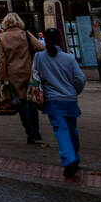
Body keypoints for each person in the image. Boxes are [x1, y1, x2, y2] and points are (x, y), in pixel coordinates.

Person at [32, 27, 87, 177]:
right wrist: (74, 91)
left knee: (61, 131)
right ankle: (74, 156)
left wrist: (38, 94)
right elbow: (80, 79)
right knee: (72, 130)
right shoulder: (69, 58)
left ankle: (69, 160)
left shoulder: (39, 57)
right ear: (60, 41)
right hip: (69, 100)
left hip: (53, 101)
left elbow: (35, 78)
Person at [0, 12, 45, 145]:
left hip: (13, 75)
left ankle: (29, 132)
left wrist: (2, 77)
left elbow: (1, 60)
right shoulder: (25, 34)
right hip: (29, 72)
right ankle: (36, 130)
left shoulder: (2, 38)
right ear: (19, 22)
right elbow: (40, 47)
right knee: (32, 101)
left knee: (21, 103)